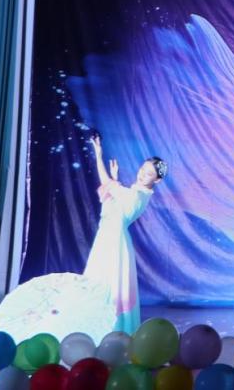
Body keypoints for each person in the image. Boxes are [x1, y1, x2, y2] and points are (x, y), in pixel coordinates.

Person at [83, 133, 166, 334]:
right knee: (101, 283)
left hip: (114, 243)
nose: (142, 174)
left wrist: (100, 157)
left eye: (148, 174)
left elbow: (109, 185)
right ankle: (98, 328)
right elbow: (112, 190)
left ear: (157, 180)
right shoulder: (133, 192)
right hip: (107, 239)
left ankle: (111, 331)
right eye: (143, 169)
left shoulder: (137, 195)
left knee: (110, 285)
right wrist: (112, 176)